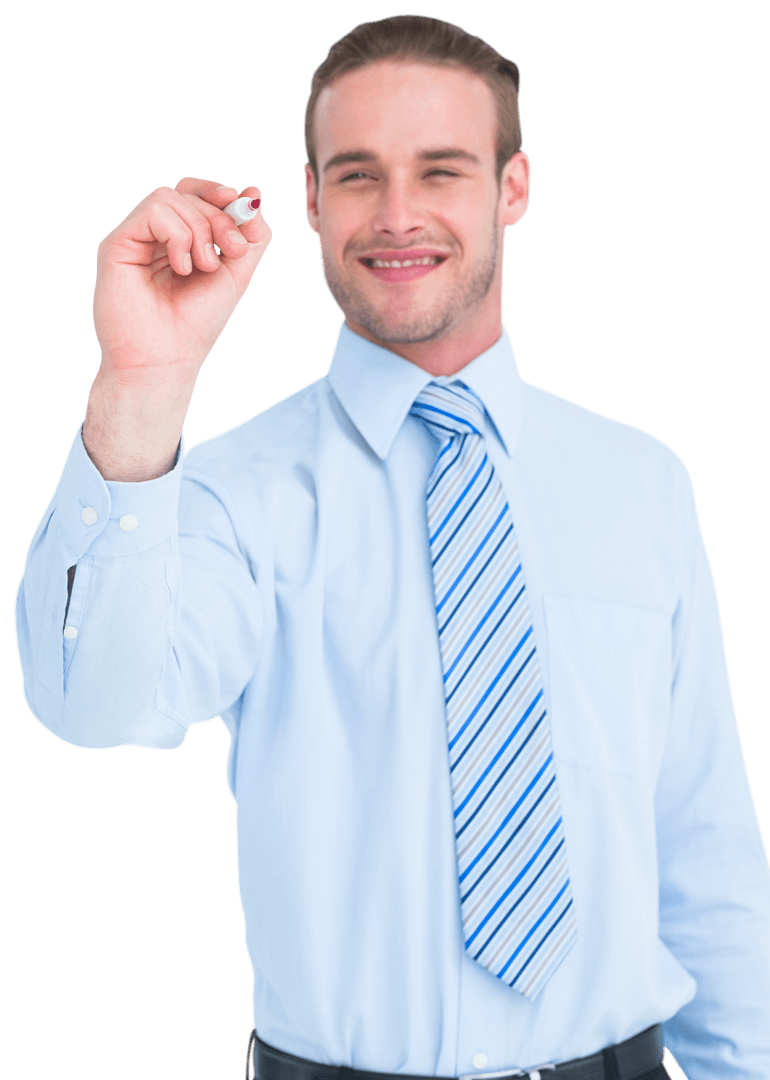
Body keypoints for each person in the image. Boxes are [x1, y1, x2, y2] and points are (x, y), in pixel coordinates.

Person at [14, 13, 770, 1080]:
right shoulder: (225, 488)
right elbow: (87, 704)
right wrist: (141, 385)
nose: (399, 216)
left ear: (511, 189)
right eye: (358, 175)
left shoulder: (638, 481)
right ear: (311, 200)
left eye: (442, 170)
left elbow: (703, 846)